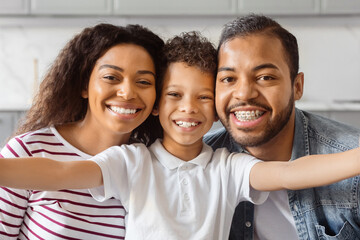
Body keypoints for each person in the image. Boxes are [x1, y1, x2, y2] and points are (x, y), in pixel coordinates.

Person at [1, 31, 360, 240]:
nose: (189, 108)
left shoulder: (229, 167)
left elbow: (291, 172)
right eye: (174, 95)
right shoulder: (131, 162)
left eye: (204, 97)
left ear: (218, 107)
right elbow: (60, 173)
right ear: (156, 104)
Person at [0, 23, 164, 239]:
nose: (127, 93)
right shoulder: (27, 150)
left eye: (143, 81)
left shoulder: (151, 166)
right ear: (84, 85)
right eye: (111, 77)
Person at [204, 14, 360, 239]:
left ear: (297, 86)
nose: (244, 93)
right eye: (229, 79)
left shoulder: (351, 165)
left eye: (265, 77)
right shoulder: (200, 164)